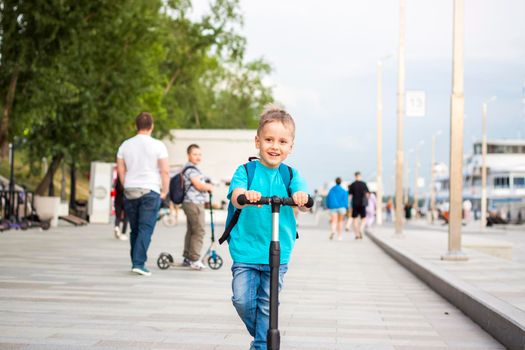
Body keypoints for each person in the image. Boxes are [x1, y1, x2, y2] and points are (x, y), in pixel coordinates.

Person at [227, 105, 309, 350]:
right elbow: (235, 195)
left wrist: (302, 198)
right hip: (246, 250)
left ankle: (262, 345)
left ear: (290, 147)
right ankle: (264, 339)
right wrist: (245, 195)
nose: (275, 146)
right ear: (257, 141)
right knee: (242, 299)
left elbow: (303, 200)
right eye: (269, 140)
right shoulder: (246, 171)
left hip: (278, 250)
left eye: (282, 141)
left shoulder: (291, 175)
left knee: (267, 303)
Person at [116, 112, 169, 276]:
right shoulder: (158, 145)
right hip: (150, 190)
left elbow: (121, 169)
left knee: (135, 229)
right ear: (151, 126)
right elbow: (165, 170)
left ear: (136, 126)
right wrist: (165, 191)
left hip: (130, 190)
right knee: (146, 228)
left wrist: (126, 184)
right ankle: (139, 263)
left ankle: (136, 261)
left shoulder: (125, 145)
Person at [181, 144, 214, 270]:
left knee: (192, 230)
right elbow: (198, 185)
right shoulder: (191, 169)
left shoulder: (192, 168)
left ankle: (188, 257)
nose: (198, 156)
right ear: (189, 155)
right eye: (195, 154)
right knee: (199, 230)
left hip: (191, 202)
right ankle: (194, 259)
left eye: (199, 154)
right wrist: (209, 187)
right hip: (193, 203)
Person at [348, 171, 369, 239]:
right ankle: (361, 229)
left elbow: (350, 196)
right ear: (360, 176)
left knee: (355, 219)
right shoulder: (364, 184)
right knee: (363, 218)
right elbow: (367, 194)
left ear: (355, 176)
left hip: (355, 204)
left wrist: (349, 205)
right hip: (362, 204)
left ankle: (356, 234)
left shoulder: (352, 185)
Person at [113, 176, 128, 241]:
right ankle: (123, 233)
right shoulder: (129, 179)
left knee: (117, 216)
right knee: (126, 217)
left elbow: (114, 187)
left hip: (118, 200)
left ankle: (116, 226)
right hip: (127, 200)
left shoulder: (118, 180)